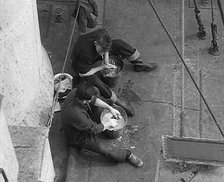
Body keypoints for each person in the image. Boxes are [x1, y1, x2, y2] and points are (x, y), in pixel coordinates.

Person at [71, 28, 158, 117]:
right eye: (101, 51)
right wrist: (101, 67)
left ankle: (139, 63)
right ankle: (117, 100)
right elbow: (83, 73)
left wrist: (106, 60)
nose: (103, 53)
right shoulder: (85, 53)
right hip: (81, 67)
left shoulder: (103, 34)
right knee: (95, 80)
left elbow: (107, 48)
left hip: (96, 52)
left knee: (118, 43)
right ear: (95, 43)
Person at [61, 81, 144, 167]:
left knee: (99, 109)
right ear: (85, 101)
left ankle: (105, 113)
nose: (92, 99)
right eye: (89, 99)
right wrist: (109, 123)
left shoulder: (76, 92)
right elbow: (94, 129)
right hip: (78, 136)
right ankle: (127, 154)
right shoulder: (76, 114)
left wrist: (110, 108)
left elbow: (94, 100)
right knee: (103, 148)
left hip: (82, 119)